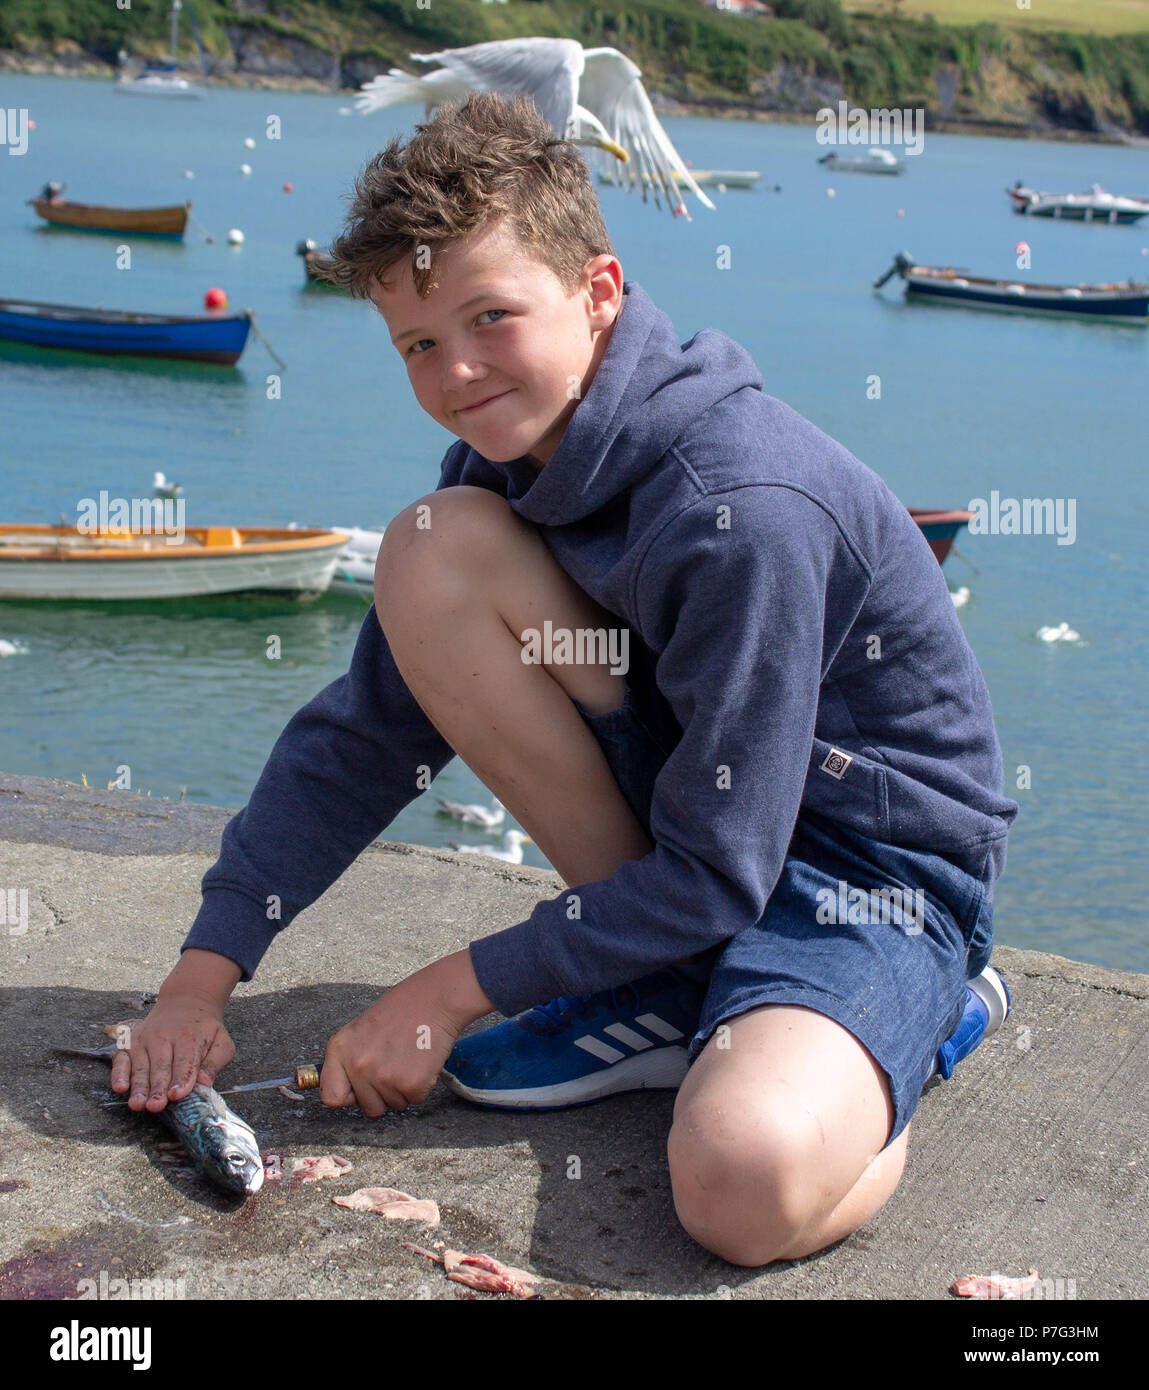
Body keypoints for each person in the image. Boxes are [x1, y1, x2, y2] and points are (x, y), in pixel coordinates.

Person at [112, 92, 1017, 1266]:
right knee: (433, 545)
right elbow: (370, 736)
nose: (458, 373)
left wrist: (453, 987)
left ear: (599, 292)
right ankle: (673, 978)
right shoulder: (505, 461)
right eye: (419, 344)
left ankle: (924, 1026)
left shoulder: (739, 510)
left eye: (493, 316)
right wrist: (201, 975)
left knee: (742, 1188)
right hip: (706, 826)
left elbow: (723, 865)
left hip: (864, 870)